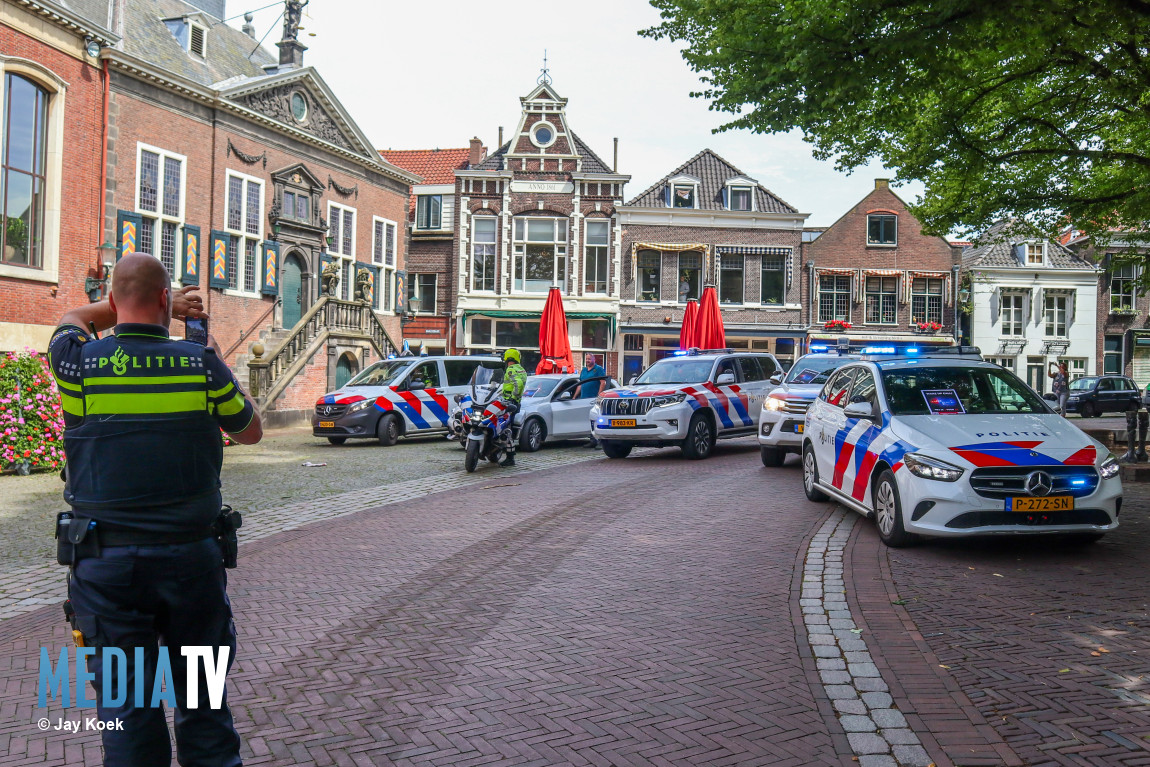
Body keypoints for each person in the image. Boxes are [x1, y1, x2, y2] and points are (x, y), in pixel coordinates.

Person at [49, 253, 262, 767]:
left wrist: (119, 301)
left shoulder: (79, 363)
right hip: (192, 565)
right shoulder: (198, 362)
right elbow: (249, 430)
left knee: (128, 712)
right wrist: (204, 349)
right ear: (166, 301)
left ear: (115, 299)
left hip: (107, 572)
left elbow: (72, 320)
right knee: (203, 704)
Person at [499, 348, 527, 466]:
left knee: (505, 428)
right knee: (508, 427)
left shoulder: (510, 369)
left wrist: (512, 398)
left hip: (509, 403)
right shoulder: (521, 370)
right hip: (515, 403)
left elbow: (518, 384)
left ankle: (510, 457)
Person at [579, 354, 607, 448]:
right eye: (586, 359)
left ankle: (600, 441)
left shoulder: (598, 369)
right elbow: (580, 384)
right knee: (588, 420)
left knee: (596, 419)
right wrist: (575, 396)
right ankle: (592, 440)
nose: (587, 360)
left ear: (594, 359)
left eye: (589, 359)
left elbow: (603, 382)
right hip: (584, 399)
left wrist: (598, 396)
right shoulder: (583, 370)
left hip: (593, 399)